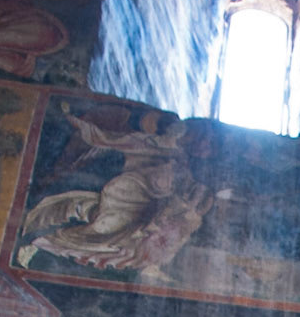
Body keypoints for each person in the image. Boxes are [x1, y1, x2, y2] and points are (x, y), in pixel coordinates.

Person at [17, 108, 213, 278]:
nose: (203, 146)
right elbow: (141, 129)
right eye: (202, 139)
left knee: (95, 225)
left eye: (207, 144)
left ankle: (35, 234)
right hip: (124, 175)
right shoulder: (170, 152)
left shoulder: (184, 193)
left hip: (128, 197)